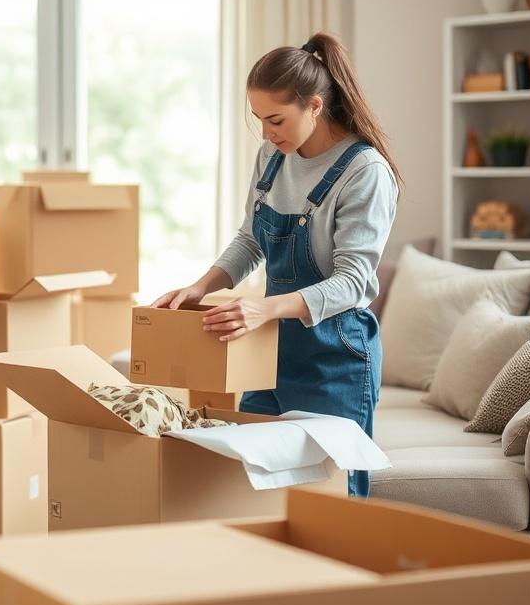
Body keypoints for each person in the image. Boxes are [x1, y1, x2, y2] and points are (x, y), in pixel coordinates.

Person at [153, 32, 400, 498]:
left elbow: (353, 283)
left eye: (276, 119)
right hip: (270, 352)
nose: (266, 133)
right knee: (250, 492)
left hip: (336, 356)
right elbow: (251, 240)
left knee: (329, 501)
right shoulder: (272, 157)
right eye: (258, 119)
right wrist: (200, 287)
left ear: (314, 106)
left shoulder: (365, 172)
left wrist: (262, 309)